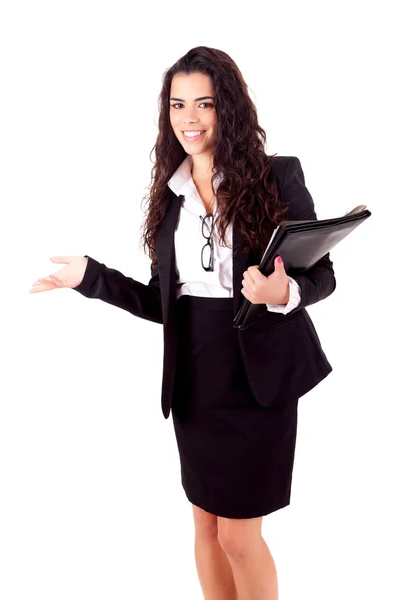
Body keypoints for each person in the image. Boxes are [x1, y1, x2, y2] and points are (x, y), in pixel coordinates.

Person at [29, 46, 336, 600]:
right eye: (177, 105)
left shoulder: (276, 177)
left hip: (257, 381)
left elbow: (325, 274)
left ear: (230, 109)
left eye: (204, 104)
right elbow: (161, 304)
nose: (189, 119)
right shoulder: (169, 198)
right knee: (205, 526)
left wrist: (281, 291)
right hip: (196, 378)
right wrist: (89, 277)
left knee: (241, 538)